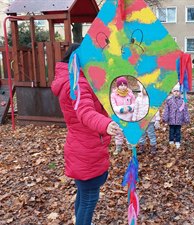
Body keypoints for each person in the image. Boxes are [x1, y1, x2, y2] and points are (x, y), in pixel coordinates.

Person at [51, 43, 122, 225]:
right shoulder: (78, 83)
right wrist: (106, 124)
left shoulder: (73, 79)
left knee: (83, 196)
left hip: (81, 146)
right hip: (86, 151)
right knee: (89, 199)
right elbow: (85, 112)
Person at [132, 83, 160, 154]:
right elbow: (136, 109)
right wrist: (134, 118)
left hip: (150, 120)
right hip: (141, 120)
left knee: (151, 134)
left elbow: (156, 109)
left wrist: (157, 119)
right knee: (142, 134)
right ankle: (142, 147)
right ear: (141, 89)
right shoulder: (138, 99)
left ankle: (153, 147)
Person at [110, 77, 135, 154]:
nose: (123, 87)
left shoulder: (130, 94)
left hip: (129, 117)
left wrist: (130, 107)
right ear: (117, 86)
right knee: (118, 133)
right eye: (121, 85)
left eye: (125, 85)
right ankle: (118, 147)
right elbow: (113, 106)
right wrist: (121, 109)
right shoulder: (114, 95)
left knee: (128, 131)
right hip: (119, 117)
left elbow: (135, 104)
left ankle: (129, 145)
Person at [162, 83, 190, 149]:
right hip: (171, 119)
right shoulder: (169, 100)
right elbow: (166, 110)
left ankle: (177, 141)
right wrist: (165, 117)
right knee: (171, 131)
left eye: (178, 91)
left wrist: (186, 118)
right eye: (175, 91)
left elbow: (185, 110)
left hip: (179, 119)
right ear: (172, 92)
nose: (176, 93)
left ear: (180, 92)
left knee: (178, 131)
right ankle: (171, 140)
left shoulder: (183, 101)